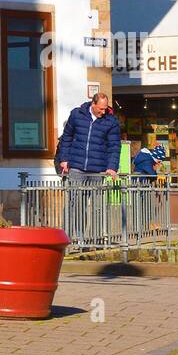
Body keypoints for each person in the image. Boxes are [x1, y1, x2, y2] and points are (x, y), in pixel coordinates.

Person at [56, 93, 122, 246]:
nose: (103, 112)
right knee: (75, 203)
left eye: (105, 109)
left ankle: (96, 239)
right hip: (77, 167)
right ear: (93, 104)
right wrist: (64, 159)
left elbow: (114, 146)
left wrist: (112, 167)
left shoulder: (111, 121)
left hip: (97, 169)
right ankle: (70, 238)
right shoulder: (76, 115)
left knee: (97, 205)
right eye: (101, 108)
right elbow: (66, 137)